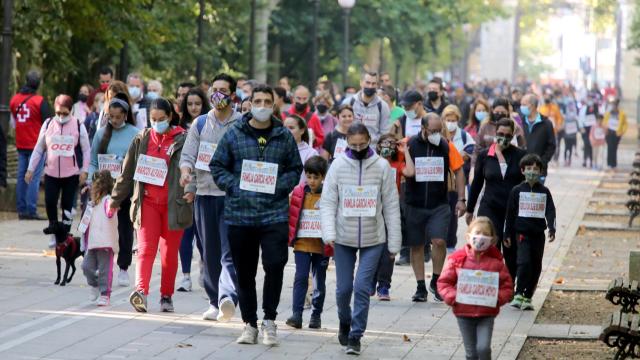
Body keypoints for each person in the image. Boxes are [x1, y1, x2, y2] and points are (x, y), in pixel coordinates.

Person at [211, 84, 303, 346]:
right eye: (257, 101)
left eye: (267, 101)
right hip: (240, 214)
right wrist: (234, 186)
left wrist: (279, 186)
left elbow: (294, 169)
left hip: (274, 214)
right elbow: (217, 166)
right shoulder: (234, 133)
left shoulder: (283, 135)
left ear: (274, 106)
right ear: (249, 104)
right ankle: (249, 323)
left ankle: (270, 321)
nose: (262, 106)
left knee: (275, 264)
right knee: (244, 271)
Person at [320, 123, 401, 355]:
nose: (357, 148)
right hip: (343, 238)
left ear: (369, 140)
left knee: (362, 287)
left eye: (362, 144)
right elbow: (327, 202)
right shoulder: (337, 165)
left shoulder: (382, 166)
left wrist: (394, 243)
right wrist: (329, 233)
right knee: (344, 289)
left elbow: (392, 206)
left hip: (373, 238)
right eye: (353, 144)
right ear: (346, 141)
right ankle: (344, 321)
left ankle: (356, 335)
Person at [110, 97, 192, 313]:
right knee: (145, 250)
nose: (157, 123)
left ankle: (166, 295)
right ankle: (141, 292)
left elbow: (193, 168)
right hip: (147, 203)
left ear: (171, 117)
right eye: (153, 119)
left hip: (174, 205)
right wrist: (115, 199)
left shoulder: (183, 140)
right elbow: (126, 173)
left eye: (162, 119)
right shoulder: (142, 139)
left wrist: (191, 189)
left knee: (169, 254)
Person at [180, 73, 241, 321]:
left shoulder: (241, 124)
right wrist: (186, 175)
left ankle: (228, 296)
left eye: (223, 90)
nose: (218, 94)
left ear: (232, 95)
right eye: (214, 89)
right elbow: (188, 157)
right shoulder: (200, 124)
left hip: (231, 196)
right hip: (204, 195)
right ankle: (215, 301)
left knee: (230, 251)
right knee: (209, 252)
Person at [402, 113, 466, 302]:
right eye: (433, 131)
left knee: (439, 241)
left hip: (439, 204)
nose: (437, 134)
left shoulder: (447, 145)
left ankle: (436, 281)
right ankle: (420, 286)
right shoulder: (410, 144)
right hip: (414, 203)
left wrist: (462, 199)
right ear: (423, 128)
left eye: (440, 130)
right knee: (417, 245)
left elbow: (459, 171)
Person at [437, 217, 513, 360]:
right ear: (468, 236)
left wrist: (497, 298)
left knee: (483, 349)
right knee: (471, 353)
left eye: (485, 234)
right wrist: (453, 297)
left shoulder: (496, 263)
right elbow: (444, 282)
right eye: (478, 232)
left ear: (493, 240)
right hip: (463, 314)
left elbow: (507, 286)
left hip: (487, 314)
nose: (481, 237)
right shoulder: (457, 260)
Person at [88, 93, 140, 287]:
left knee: (125, 229)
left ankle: (124, 267)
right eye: (111, 117)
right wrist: (92, 178)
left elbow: (140, 160)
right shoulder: (101, 133)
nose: (115, 120)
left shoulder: (135, 132)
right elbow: (93, 161)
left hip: (126, 188)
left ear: (125, 115)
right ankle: (100, 264)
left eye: (118, 117)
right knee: (102, 227)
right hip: (105, 189)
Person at [26, 95, 90, 247]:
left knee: (67, 206)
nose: (61, 117)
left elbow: (87, 150)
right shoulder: (48, 124)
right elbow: (39, 148)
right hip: (51, 172)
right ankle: (55, 233)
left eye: (65, 113)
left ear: (71, 111)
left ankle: (65, 236)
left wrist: (84, 170)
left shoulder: (78, 125)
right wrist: (30, 169)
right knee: (50, 202)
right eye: (58, 113)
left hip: (71, 174)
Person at [466, 118, 526, 279]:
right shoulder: (485, 155)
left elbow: (525, 184)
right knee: (489, 246)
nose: (503, 138)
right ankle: (488, 281)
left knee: (511, 250)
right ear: (495, 133)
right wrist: (469, 209)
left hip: (512, 210)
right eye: (500, 134)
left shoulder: (520, 155)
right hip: (490, 207)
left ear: (512, 135)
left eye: (507, 135)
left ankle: (510, 284)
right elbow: (477, 183)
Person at [505, 154, 556, 311]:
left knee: (536, 265)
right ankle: (519, 292)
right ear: (522, 171)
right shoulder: (517, 191)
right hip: (522, 234)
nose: (532, 172)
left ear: (541, 172)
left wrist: (552, 228)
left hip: (538, 235)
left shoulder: (544, 192)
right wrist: (507, 234)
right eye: (529, 169)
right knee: (524, 262)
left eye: (535, 169)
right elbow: (510, 214)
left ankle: (528, 296)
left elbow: (550, 210)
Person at [286, 156, 332, 329]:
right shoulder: (298, 192)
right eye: (309, 176)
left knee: (319, 280)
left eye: (316, 177)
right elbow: (292, 212)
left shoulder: (329, 193)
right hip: (303, 242)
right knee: (300, 276)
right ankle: (296, 314)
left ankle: (316, 315)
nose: (312, 181)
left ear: (323, 177)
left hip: (321, 245)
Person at [176, 87, 211, 292]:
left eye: (197, 103)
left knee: (203, 235)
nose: (193, 107)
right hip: (183, 184)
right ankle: (186, 275)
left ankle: (205, 268)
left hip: (205, 185)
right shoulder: (179, 128)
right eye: (189, 104)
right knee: (185, 233)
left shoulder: (208, 124)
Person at [10, 70, 52, 220]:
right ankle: (31, 209)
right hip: (36, 145)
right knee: (34, 177)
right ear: (38, 83)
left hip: (21, 143)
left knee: (22, 176)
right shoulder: (40, 101)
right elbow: (48, 123)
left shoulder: (14, 99)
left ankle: (21, 209)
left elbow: (13, 121)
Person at [371, 133, 405, 301]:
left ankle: (384, 285)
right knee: (372, 247)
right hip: (372, 209)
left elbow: (411, 172)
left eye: (392, 144)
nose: (388, 146)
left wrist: (404, 152)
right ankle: (370, 280)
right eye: (385, 143)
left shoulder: (399, 164)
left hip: (391, 209)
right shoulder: (371, 162)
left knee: (388, 251)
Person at [81, 170, 119, 306]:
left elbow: (110, 212)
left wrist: (114, 201)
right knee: (86, 266)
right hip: (92, 243)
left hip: (106, 243)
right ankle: (94, 284)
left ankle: (105, 293)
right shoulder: (91, 204)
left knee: (105, 270)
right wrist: (83, 242)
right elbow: (85, 224)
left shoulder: (108, 201)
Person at [443, 105, 475, 252]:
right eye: (447, 120)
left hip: (455, 179)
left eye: (453, 120)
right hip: (440, 179)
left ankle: (450, 243)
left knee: (452, 212)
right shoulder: (440, 134)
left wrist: (458, 157)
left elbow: (470, 149)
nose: (450, 123)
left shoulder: (463, 135)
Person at [472, 97, 526, 166]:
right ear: (492, 110)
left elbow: (522, 148)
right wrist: (473, 167)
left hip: (510, 164)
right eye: (497, 112)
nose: (499, 114)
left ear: (507, 112)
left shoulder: (515, 127)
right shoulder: (485, 126)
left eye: (502, 112)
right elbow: (477, 149)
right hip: (488, 165)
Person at [520, 94, 556, 183]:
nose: (521, 107)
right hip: (521, 170)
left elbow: (551, 145)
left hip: (539, 171)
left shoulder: (546, 123)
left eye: (524, 104)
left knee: (537, 195)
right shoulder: (520, 122)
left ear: (532, 106)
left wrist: (541, 162)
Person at [349, 71, 391, 144]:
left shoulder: (383, 106)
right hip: (352, 149)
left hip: (373, 150)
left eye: (373, 83)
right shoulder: (350, 102)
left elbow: (385, 134)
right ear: (361, 83)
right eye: (367, 83)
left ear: (377, 85)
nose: (370, 86)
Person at [284, 114, 318, 184]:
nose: (286, 131)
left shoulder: (311, 154)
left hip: (301, 194)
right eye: (284, 128)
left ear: (302, 130)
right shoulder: (277, 150)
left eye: (291, 128)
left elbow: (314, 180)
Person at [538, 92, 564, 163]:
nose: (546, 98)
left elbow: (560, 118)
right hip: (544, 132)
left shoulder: (555, 107)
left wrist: (558, 125)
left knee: (555, 145)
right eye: (545, 97)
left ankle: (555, 160)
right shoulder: (541, 108)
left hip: (554, 131)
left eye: (548, 97)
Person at [603, 98, 628, 170]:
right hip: (609, 132)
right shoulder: (608, 113)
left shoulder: (622, 114)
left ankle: (614, 163)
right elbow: (604, 121)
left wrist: (622, 132)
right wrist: (605, 129)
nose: (613, 107)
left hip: (616, 133)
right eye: (612, 105)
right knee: (610, 147)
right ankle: (609, 163)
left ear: (617, 106)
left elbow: (625, 124)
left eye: (614, 105)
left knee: (614, 148)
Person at [578, 96, 598, 168]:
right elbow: (580, 118)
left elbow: (598, 118)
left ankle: (591, 161)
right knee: (586, 144)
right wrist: (581, 127)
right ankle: (585, 160)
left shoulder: (596, 108)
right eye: (588, 99)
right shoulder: (583, 108)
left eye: (591, 99)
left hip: (593, 130)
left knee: (591, 145)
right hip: (585, 130)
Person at [562, 101, 579, 167]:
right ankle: (565, 160)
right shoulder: (565, 115)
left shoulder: (575, 116)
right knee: (566, 147)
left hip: (572, 135)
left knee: (571, 148)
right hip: (566, 134)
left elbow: (577, 125)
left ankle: (569, 160)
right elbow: (563, 124)